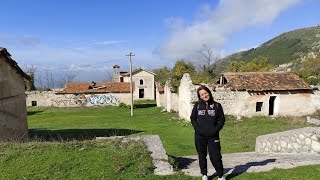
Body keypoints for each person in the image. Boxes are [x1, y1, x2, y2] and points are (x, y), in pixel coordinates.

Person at [190, 85, 225, 180]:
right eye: (201, 95)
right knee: (202, 156)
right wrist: (197, 129)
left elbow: (222, 120)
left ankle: (221, 176)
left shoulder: (217, 105)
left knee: (216, 157)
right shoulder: (197, 106)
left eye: (205, 93)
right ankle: (204, 174)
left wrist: (215, 130)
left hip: (213, 136)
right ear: (199, 96)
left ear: (209, 92)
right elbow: (193, 118)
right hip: (200, 136)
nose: (204, 96)